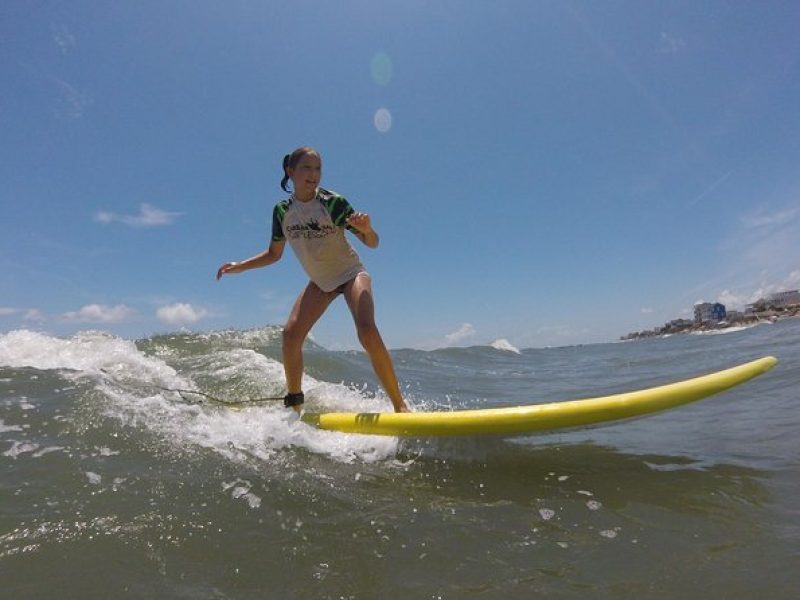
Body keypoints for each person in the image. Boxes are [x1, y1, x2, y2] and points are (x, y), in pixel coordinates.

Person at [217, 146, 410, 413]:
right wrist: (241, 266)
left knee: (366, 330)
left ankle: (400, 406)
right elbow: (274, 254)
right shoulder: (282, 211)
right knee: (290, 335)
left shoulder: (333, 203)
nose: (313, 174)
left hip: (351, 273)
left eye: (318, 168)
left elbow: (372, 243)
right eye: (306, 168)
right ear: (291, 171)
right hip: (321, 282)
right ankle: (295, 404)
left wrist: (367, 229)